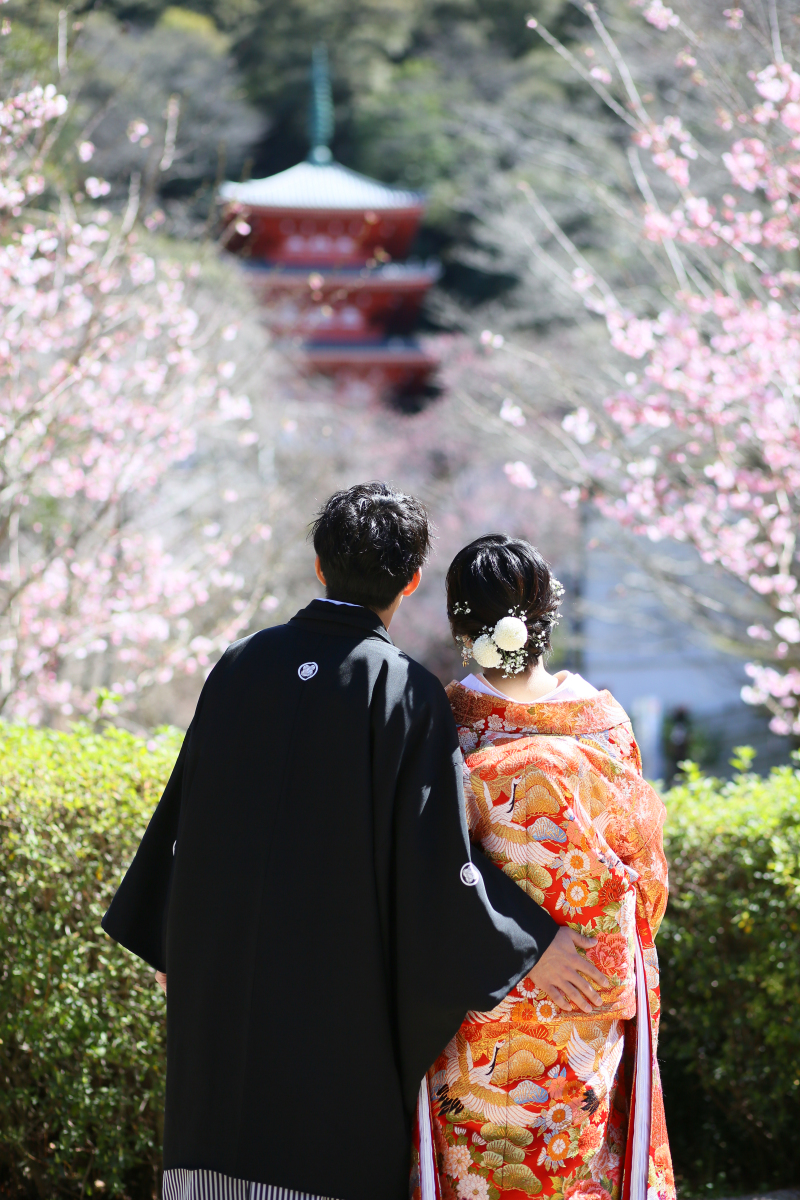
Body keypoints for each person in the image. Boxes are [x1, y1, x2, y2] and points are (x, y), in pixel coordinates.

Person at [101, 484, 601, 1200]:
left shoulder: (240, 664)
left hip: (223, 993)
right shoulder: (401, 689)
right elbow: (438, 860)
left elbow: (184, 819)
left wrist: (175, 939)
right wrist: (530, 941)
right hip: (332, 1007)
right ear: (412, 581)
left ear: (318, 565)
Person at [426, 534, 674, 1200]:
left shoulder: (445, 725)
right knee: (576, 1170)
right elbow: (645, 874)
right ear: (545, 616)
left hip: (482, 1002)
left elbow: (426, 867)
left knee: (480, 1171)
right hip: (587, 997)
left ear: (460, 623)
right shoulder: (603, 721)